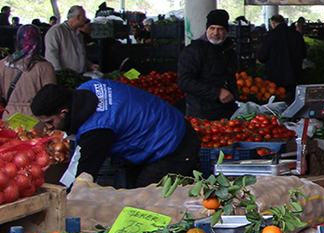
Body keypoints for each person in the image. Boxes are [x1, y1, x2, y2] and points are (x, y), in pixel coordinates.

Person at [30, 80, 200, 187]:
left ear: (64, 112)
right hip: (164, 125)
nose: (50, 128)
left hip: (173, 144)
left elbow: (84, 178)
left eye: (50, 122)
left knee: (146, 198)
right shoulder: (88, 87)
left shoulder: (97, 130)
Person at [178, 9, 239, 121]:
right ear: (207, 29)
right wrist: (216, 92)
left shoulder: (229, 51)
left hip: (227, 110)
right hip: (202, 112)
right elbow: (185, 82)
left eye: (220, 29)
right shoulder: (194, 50)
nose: (215, 33)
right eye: (212, 28)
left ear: (226, 31)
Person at [0, 25, 55, 120]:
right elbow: (51, 98)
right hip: (34, 119)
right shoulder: (44, 67)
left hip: (9, 116)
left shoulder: (3, 64)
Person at [255, 14, 306, 98]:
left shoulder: (271, 35)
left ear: (273, 24)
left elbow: (262, 57)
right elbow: (304, 54)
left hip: (274, 78)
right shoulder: (296, 35)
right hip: (295, 76)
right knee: (293, 103)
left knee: (276, 104)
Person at [44, 5, 94, 73]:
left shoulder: (79, 34)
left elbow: (80, 54)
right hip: (65, 78)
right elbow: (51, 55)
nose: (85, 19)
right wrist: (60, 74)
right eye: (84, 16)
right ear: (78, 17)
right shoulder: (57, 31)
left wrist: (89, 65)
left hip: (79, 76)